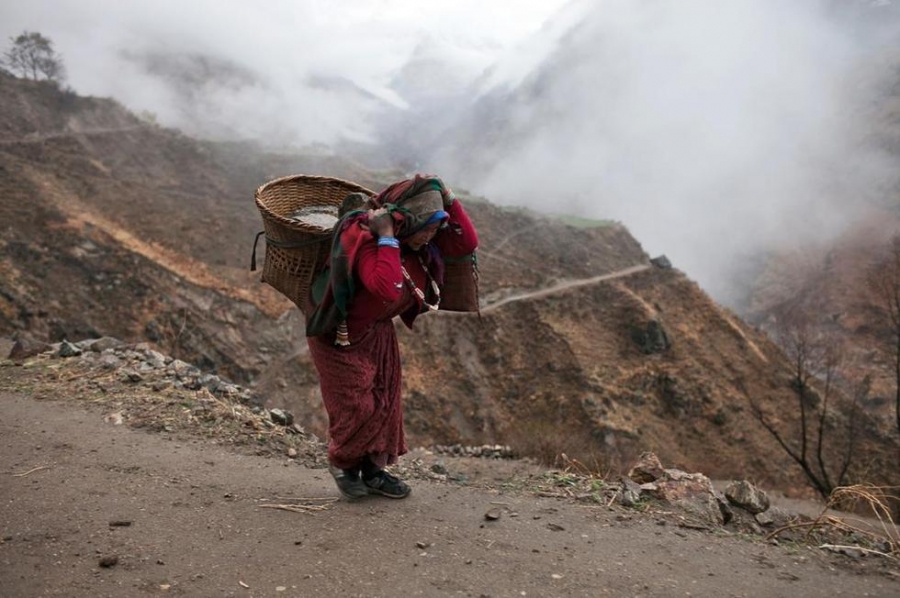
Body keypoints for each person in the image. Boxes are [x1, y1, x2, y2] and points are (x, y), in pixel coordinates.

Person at [305, 175, 479, 499]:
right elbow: (385, 287)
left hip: (376, 332)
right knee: (358, 406)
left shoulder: (418, 244)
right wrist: (386, 236)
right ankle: (342, 464)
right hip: (338, 337)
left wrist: (449, 199)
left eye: (434, 229)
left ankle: (372, 471)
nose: (431, 237)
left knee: (385, 404)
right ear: (408, 223)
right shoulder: (371, 240)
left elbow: (466, 242)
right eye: (427, 228)